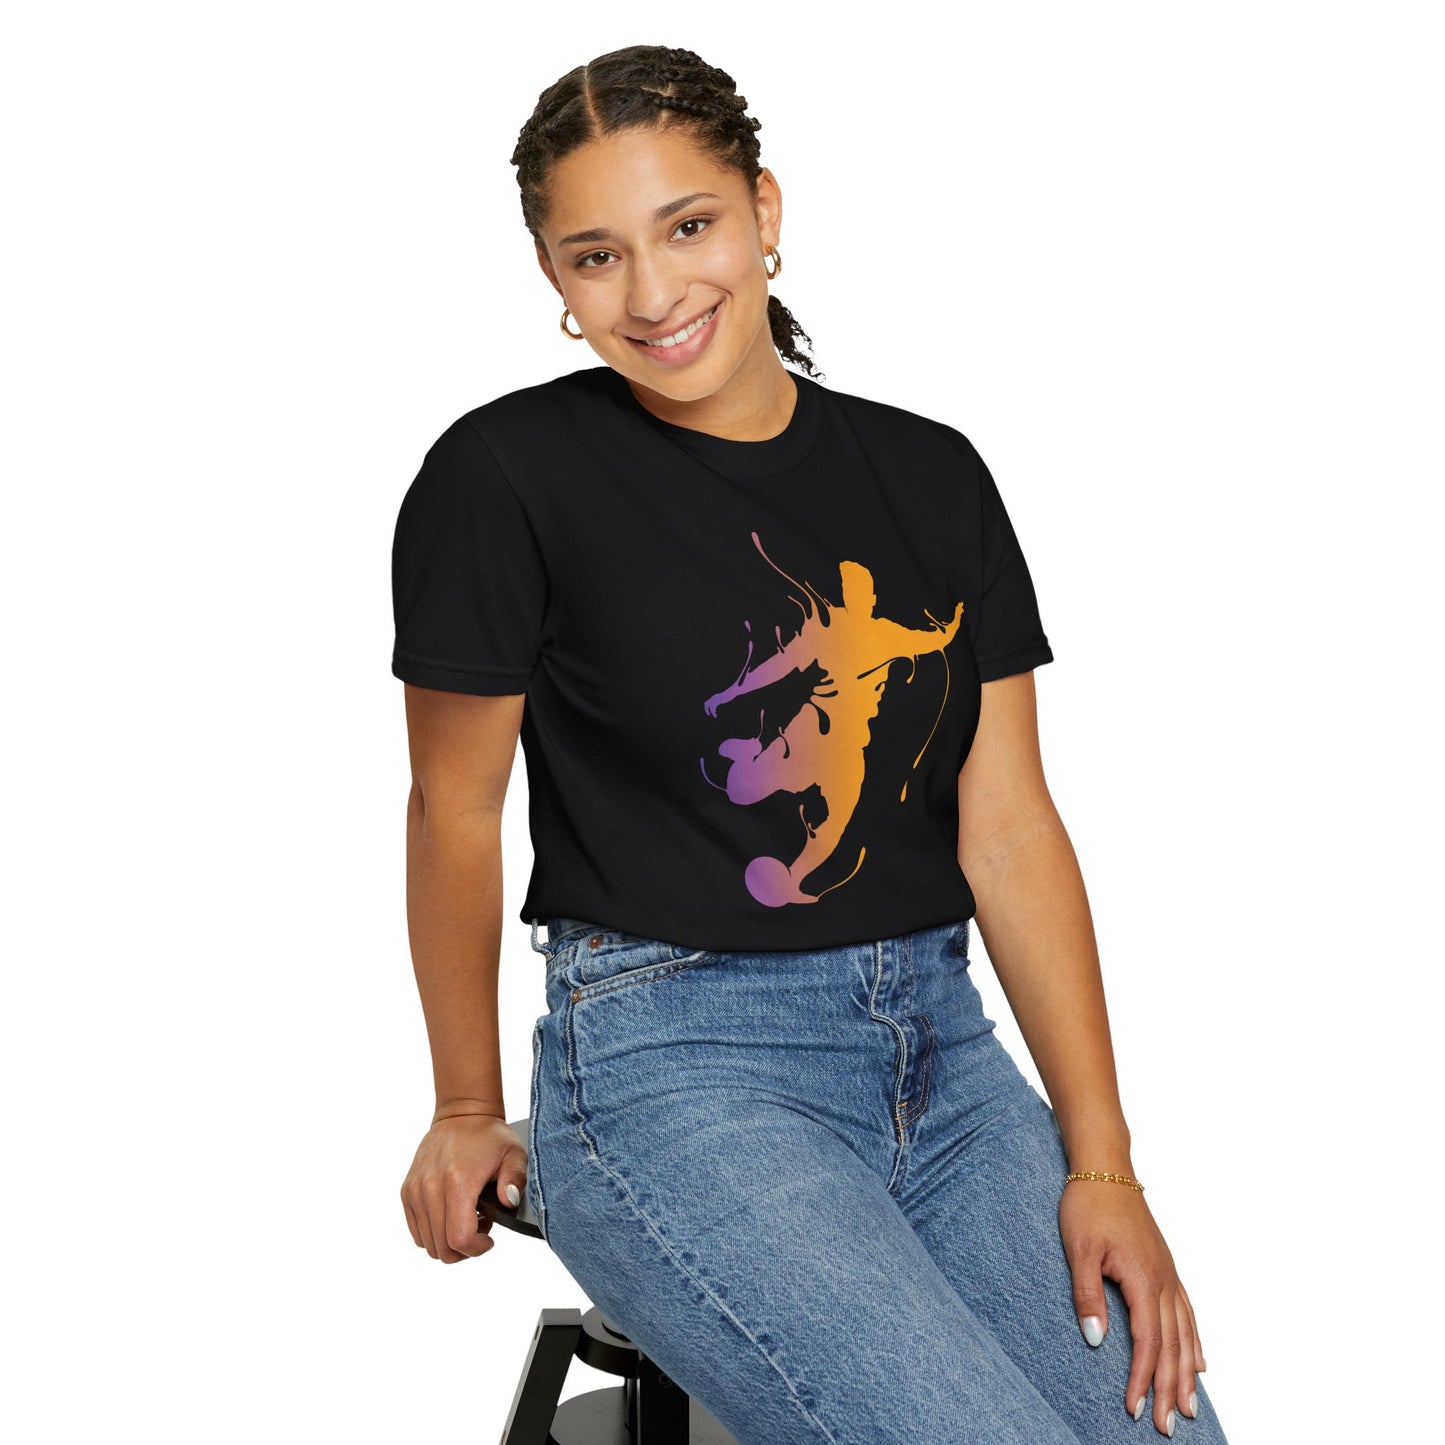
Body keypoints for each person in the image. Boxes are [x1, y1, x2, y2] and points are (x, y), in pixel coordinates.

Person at [391, 43, 1230, 1445]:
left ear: (764, 210)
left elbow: (1009, 827)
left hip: (944, 1061)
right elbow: (453, 808)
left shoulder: (930, 475)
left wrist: (1103, 1166)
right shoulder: (505, 476)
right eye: (595, 256)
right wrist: (467, 1099)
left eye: (688, 227)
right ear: (553, 277)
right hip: (668, 1066)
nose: (652, 293)